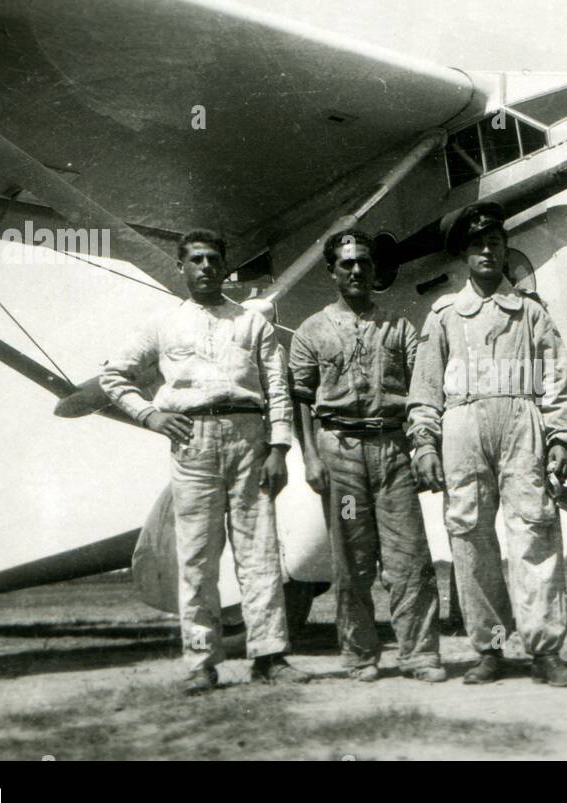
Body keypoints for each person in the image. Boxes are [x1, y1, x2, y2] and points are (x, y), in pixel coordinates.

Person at [100, 229, 309, 694]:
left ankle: (270, 657)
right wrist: (152, 415)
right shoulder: (162, 325)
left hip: (248, 440)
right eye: (196, 260)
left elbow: (278, 390)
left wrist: (278, 449)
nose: (206, 267)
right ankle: (200, 662)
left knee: (259, 553)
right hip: (192, 442)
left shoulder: (253, 325)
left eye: (214, 259)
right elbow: (114, 376)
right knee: (196, 558)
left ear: (225, 266)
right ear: (181, 267)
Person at [407, 202, 567, 687]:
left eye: (495, 242)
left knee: (534, 529)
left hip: (522, 421)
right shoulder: (443, 315)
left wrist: (562, 437)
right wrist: (424, 441)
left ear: (506, 250)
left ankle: (546, 651)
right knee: (469, 536)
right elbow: (424, 388)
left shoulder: (530, 312)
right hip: (461, 425)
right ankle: (492, 648)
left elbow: (557, 379)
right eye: (478, 244)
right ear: (464, 254)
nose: (487, 250)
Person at [289, 229, 445, 684]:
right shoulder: (311, 331)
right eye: (346, 263)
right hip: (341, 454)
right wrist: (311, 457)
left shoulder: (398, 327)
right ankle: (360, 656)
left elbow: (423, 389)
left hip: (393, 451)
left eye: (364, 262)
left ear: (375, 269)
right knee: (353, 560)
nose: (356, 270)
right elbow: (301, 396)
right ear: (331, 271)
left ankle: (419, 655)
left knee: (409, 556)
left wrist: (422, 447)